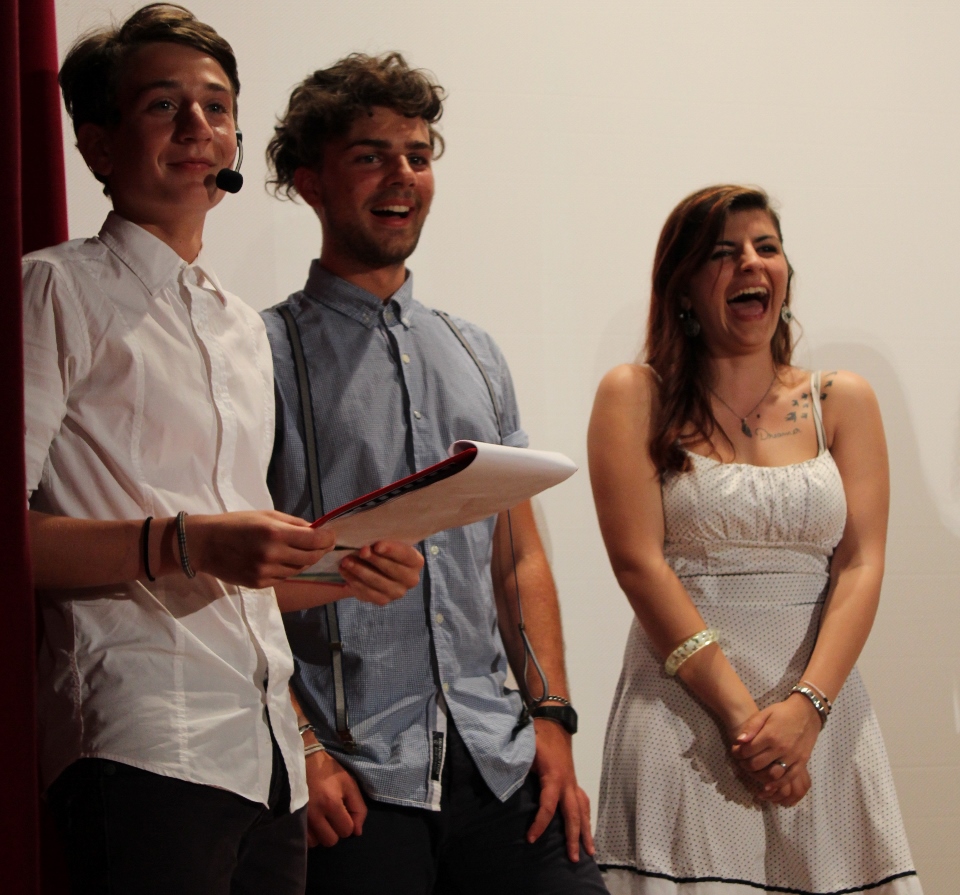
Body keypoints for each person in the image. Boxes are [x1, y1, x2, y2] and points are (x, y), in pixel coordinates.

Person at [24, 7, 422, 894]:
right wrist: (188, 539)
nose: (198, 127)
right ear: (97, 144)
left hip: (264, 752)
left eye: (217, 106)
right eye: (164, 106)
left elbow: (238, 568)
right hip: (140, 734)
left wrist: (344, 571)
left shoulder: (240, 325)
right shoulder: (51, 288)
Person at [262, 52, 608, 895]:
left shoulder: (476, 352)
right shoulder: (260, 354)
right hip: (354, 778)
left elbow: (517, 559)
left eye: (417, 155)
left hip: (500, 761)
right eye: (370, 155)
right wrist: (303, 748)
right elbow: (234, 588)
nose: (402, 176)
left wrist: (553, 720)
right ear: (309, 181)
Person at [587, 184, 922, 895]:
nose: (751, 263)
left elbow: (861, 563)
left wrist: (806, 711)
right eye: (723, 252)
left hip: (823, 718)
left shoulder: (842, 400)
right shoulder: (634, 395)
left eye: (766, 247)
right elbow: (639, 565)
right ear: (682, 286)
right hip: (684, 718)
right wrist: (748, 727)